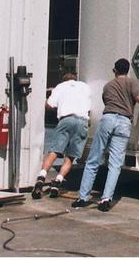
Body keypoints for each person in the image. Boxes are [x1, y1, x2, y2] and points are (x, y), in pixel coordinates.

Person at [72, 58, 139, 211]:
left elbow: (106, 102)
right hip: (124, 122)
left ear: (115, 70)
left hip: (108, 119)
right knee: (115, 164)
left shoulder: (108, 86)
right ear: (127, 70)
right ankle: (106, 199)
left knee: (93, 159)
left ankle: (82, 197)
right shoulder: (132, 83)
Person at [31, 70, 91, 199]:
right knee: (70, 156)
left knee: (54, 151)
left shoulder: (60, 87)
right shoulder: (85, 87)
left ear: (64, 80)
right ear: (75, 79)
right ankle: (58, 181)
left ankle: (41, 177)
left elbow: (49, 105)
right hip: (82, 121)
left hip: (66, 120)